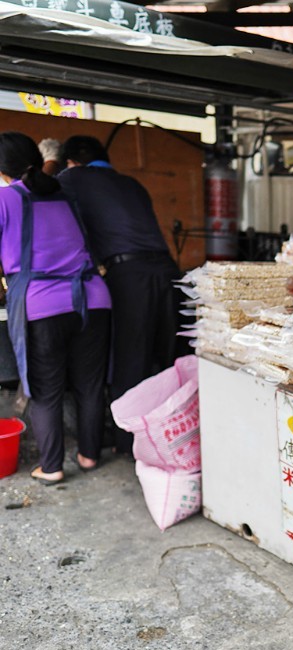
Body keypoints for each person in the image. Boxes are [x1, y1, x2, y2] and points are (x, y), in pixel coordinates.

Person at [58, 135, 182, 457]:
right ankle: (173, 432)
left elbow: (41, 192)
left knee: (130, 358)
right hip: (169, 272)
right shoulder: (131, 183)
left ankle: (129, 446)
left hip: (130, 275)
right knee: (168, 358)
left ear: (72, 161)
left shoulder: (71, 178)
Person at [0, 132, 112, 484]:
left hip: (43, 304)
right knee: (90, 385)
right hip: (94, 298)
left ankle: (51, 467)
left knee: (46, 389)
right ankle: (90, 455)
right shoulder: (66, 195)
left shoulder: (5, 200)